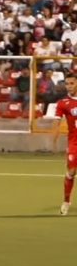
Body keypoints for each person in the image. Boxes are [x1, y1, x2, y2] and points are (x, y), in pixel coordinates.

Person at [53, 73, 77, 216]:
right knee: (71, 172)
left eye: (72, 83)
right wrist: (54, 138)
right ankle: (66, 201)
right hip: (74, 142)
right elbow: (57, 121)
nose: (69, 86)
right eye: (67, 84)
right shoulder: (63, 103)